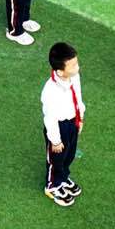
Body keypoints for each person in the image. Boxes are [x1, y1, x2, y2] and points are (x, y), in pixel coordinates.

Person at [40, 42, 84, 204]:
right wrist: (55, 140)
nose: (77, 67)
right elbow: (50, 118)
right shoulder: (50, 91)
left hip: (73, 122)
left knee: (69, 153)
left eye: (76, 63)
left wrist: (80, 118)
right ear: (60, 71)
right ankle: (52, 185)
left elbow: (78, 97)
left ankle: (63, 177)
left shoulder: (74, 77)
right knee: (55, 158)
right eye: (72, 66)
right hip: (58, 128)